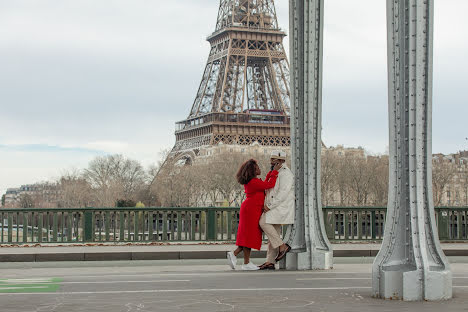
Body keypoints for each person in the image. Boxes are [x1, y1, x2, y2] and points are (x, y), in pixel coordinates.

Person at [227, 159, 281, 270]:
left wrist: (271, 173)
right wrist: (275, 172)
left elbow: (264, 184)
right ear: (253, 171)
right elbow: (269, 184)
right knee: (249, 236)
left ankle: (241, 259)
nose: (259, 169)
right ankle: (240, 259)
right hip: (251, 210)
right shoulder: (254, 182)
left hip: (251, 209)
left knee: (248, 236)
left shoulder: (253, 182)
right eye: (257, 168)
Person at [258, 150, 295, 270]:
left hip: (278, 207)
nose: (271, 161)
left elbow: (282, 193)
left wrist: (269, 205)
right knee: (273, 235)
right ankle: (270, 262)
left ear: (280, 161)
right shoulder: (275, 172)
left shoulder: (286, 174)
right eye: (271, 159)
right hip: (275, 207)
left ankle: (282, 246)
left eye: (273, 159)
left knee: (263, 223)